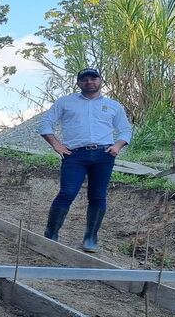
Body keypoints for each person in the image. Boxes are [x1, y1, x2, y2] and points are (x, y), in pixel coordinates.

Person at [39, 67, 133, 252]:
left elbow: (125, 129)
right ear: (78, 82)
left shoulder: (114, 106)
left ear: (101, 80)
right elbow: (46, 123)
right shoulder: (66, 102)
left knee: (98, 196)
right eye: (85, 79)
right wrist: (57, 145)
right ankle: (51, 233)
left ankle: (91, 238)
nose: (89, 82)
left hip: (103, 155)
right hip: (75, 155)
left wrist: (117, 146)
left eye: (93, 78)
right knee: (67, 192)